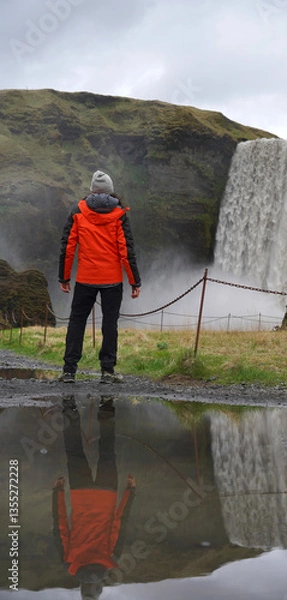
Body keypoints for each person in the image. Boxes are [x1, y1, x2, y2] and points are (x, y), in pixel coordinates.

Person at [59, 170, 141, 384]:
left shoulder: (78, 211)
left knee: (77, 322)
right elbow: (126, 250)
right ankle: (107, 372)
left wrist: (64, 277)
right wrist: (134, 281)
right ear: (110, 191)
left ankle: (69, 371)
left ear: (92, 190)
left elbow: (68, 247)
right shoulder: (119, 215)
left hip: (85, 278)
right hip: (112, 280)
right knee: (109, 324)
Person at [53, 396, 136, 599]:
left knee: (107, 451)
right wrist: (57, 493)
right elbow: (60, 525)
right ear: (81, 587)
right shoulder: (69, 561)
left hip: (106, 493)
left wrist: (130, 492)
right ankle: (70, 408)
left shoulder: (111, 558)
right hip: (80, 493)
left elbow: (120, 522)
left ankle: (106, 405)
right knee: (74, 452)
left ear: (99, 586)